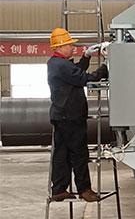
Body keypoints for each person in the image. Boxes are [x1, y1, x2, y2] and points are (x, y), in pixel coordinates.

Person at [47, 28, 109, 202]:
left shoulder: (56, 63)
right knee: (79, 154)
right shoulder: (62, 65)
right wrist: (107, 66)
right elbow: (84, 78)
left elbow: (76, 72)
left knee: (62, 154)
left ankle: (59, 189)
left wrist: (87, 56)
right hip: (71, 117)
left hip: (61, 116)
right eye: (69, 45)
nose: (73, 48)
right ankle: (84, 190)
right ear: (60, 47)